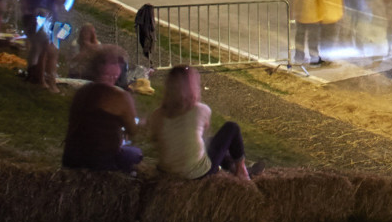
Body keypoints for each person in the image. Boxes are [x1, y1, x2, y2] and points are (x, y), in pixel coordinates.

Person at [148, 64, 250, 179]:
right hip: (196, 174)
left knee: (212, 142)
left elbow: (155, 140)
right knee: (231, 128)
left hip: (167, 172)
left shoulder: (156, 115)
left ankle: (231, 166)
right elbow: (204, 133)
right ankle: (242, 170)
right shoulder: (200, 110)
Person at [61, 45, 142, 173]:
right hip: (101, 163)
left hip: (72, 159)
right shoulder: (120, 97)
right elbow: (133, 130)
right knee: (134, 153)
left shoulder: (81, 93)